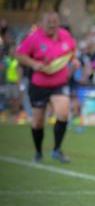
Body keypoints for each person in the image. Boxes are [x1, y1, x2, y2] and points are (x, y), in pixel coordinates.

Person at [16, 12, 76, 163]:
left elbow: (72, 51)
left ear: (59, 23)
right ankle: (38, 152)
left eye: (55, 21)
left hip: (59, 83)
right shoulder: (34, 38)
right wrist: (34, 64)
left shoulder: (65, 35)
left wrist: (74, 63)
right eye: (48, 22)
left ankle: (57, 150)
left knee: (63, 113)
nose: (52, 24)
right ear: (42, 23)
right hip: (39, 84)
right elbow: (19, 55)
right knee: (37, 122)